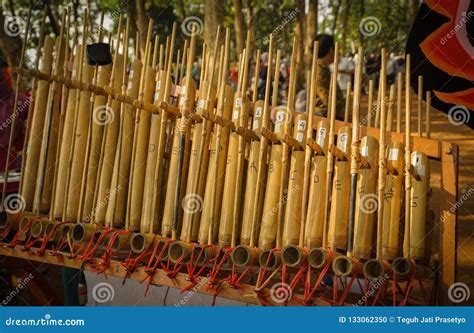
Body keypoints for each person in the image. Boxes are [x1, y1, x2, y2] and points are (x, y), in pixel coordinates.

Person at [313, 34, 345, 120]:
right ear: (331, 50)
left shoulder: (323, 68)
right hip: (324, 118)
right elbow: (328, 100)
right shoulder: (319, 71)